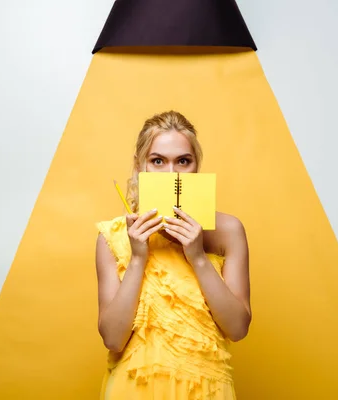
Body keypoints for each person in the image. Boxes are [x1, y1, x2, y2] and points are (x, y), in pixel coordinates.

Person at [95, 110, 251, 399]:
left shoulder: (228, 230)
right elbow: (113, 339)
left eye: (183, 161)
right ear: (139, 166)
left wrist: (198, 258)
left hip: (207, 391)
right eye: (157, 161)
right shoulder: (112, 237)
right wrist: (138, 258)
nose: (171, 174)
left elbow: (238, 328)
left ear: (196, 166)